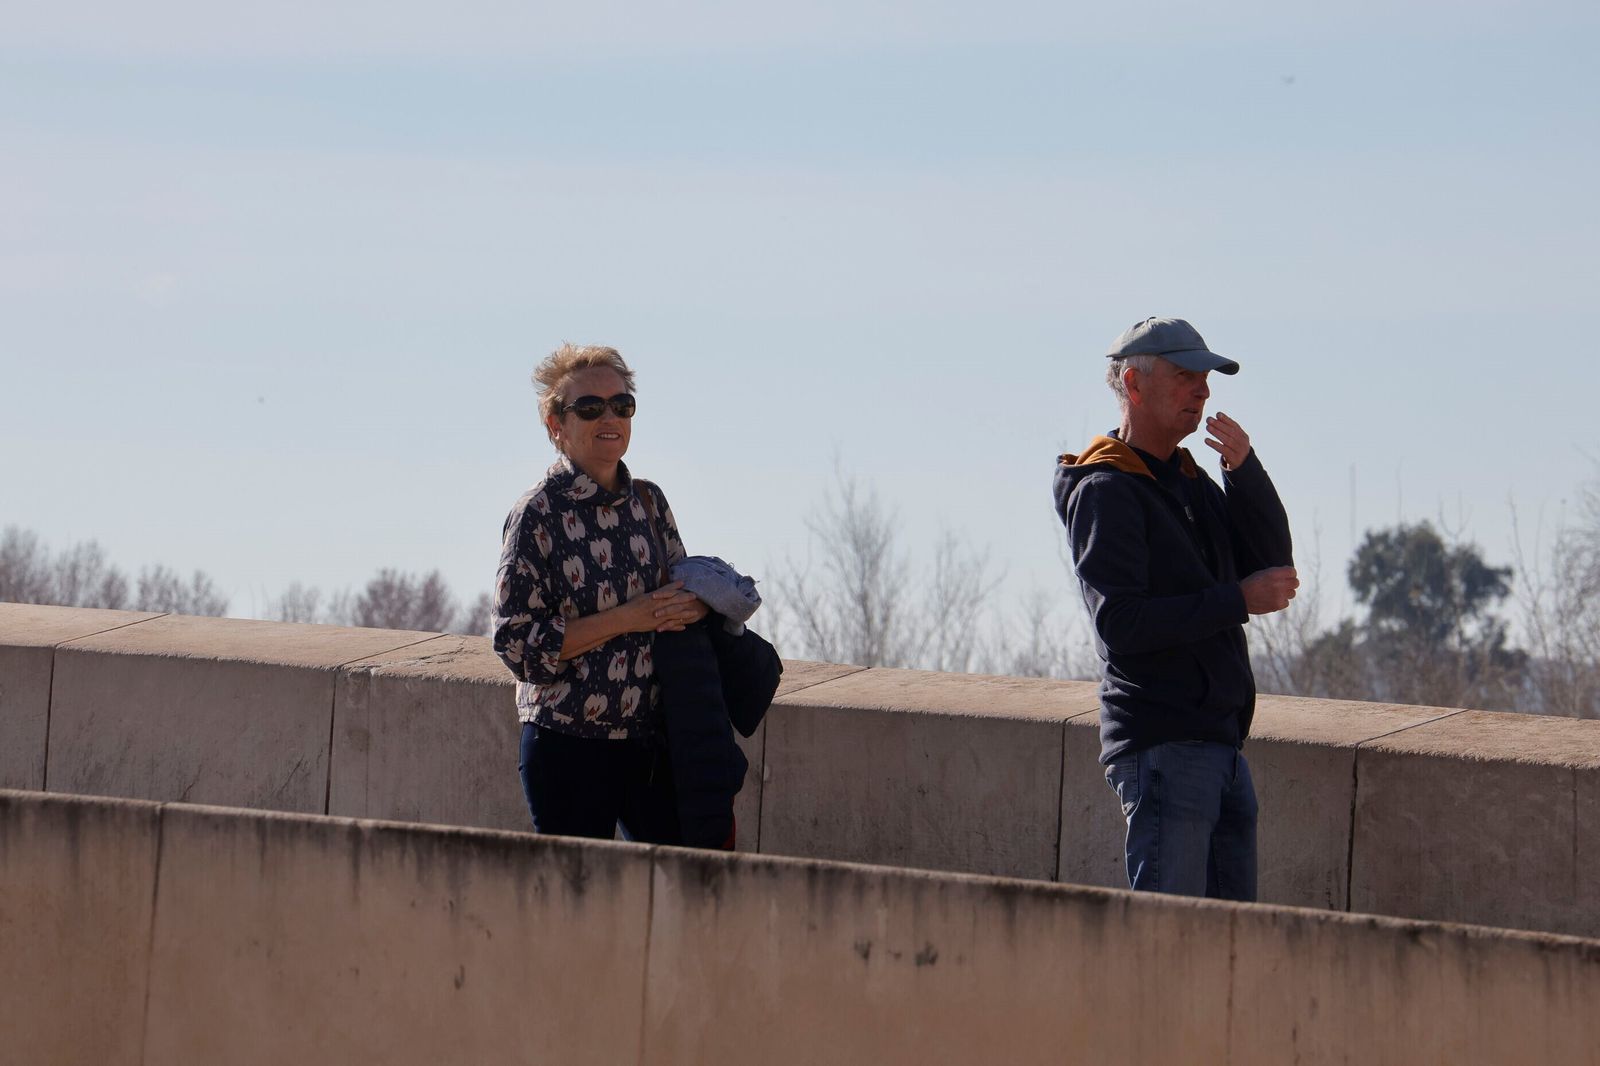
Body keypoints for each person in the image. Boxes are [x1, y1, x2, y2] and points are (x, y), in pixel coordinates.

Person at [1053, 317, 1297, 901]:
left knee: (1228, 955)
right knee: (1168, 949)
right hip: (1163, 747)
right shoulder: (1106, 489)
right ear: (1134, 386)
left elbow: (1273, 569)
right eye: (1186, 376)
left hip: (1219, 748)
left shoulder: (1189, 482)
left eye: (1206, 378)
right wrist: (1237, 600)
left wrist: (1245, 472)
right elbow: (1121, 625)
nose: (1204, 391)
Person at [492, 343, 710, 843]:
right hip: (566, 745)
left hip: (653, 743)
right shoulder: (536, 515)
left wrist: (694, 604)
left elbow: (685, 591)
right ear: (556, 426)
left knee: (675, 899)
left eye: (621, 404)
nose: (608, 417)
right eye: (589, 408)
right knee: (575, 907)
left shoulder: (650, 502)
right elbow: (517, 645)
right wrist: (630, 617)